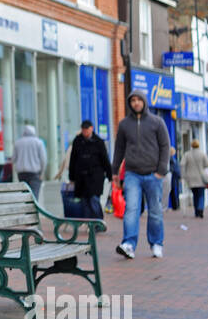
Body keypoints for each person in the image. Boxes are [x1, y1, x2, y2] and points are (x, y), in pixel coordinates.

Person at [112, 90, 170, 258]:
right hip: (132, 174)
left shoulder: (157, 122)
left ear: (144, 102)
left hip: (153, 174)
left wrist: (161, 171)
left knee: (154, 211)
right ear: (130, 103)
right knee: (131, 209)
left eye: (139, 100)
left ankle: (156, 243)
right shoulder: (124, 125)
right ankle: (129, 244)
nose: (136, 103)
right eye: (133, 100)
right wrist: (115, 172)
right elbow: (119, 149)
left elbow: (165, 146)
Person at [68, 119, 112, 219]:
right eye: (83, 129)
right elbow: (73, 159)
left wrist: (110, 175)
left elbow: (105, 159)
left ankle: (98, 222)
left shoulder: (98, 142)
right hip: (81, 178)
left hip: (95, 177)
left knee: (94, 199)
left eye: (87, 129)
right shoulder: (77, 141)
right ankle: (90, 223)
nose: (85, 132)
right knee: (85, 202)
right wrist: (71, 177)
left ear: (91, 129)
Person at [12, 124, 47, 198]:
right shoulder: (38, 142)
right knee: (34, 197)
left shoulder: (18, 143)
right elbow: (43, 159)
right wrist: (42, 173)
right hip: (35, 174)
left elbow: (13, 159)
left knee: (25, 196)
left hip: (21, 174)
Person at [181, 139, 208, 219]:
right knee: (201, 195)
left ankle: (197, 212)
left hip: (191, 178)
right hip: (201, 177)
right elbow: (207, 164)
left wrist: (183, 175)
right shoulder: (202, 154)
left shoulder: (187, 154)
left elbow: (182, 164)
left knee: (195, 195)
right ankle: (200, 209)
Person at [168, 146, 181, 210]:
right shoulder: (172, 159)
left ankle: (175, 206)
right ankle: (175, 206)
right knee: (172, 192)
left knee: (171, 192)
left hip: (172, 177)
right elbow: (175, 169)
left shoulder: (171, 159)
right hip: (172, 178)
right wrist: (179, 175)